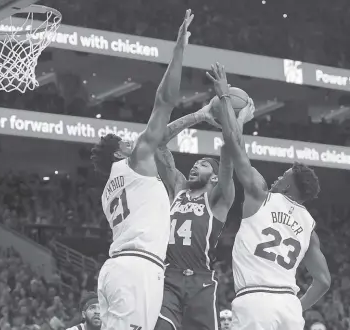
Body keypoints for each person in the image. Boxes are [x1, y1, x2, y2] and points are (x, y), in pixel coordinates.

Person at [206, 62, 331, 330]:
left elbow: (234, 144)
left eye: (282, 176)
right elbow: (323, 281)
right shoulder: (309, 226)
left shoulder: (260, 195)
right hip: (288, 307)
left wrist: (226, 98)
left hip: (255, 302)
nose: (276, 178)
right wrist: (297, 306)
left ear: (287, 186)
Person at [90, 9, 193, 330]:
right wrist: (179, 49)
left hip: (120, 269)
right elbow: (164, 100)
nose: (131, 140)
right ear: (120, 151)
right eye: (125, 139)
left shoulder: (111, 187)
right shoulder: (134, 162)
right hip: (136, 271)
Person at [152, 98, 253, 330]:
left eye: (203, 164)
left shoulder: (219, 199)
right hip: (168, 277)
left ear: (215, 178)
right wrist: (199, 115)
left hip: (201, 281)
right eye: (195, 164)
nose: (195, 166)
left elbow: (229, 152)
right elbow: (159, 143)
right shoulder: (178, 187)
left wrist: (237, 120)